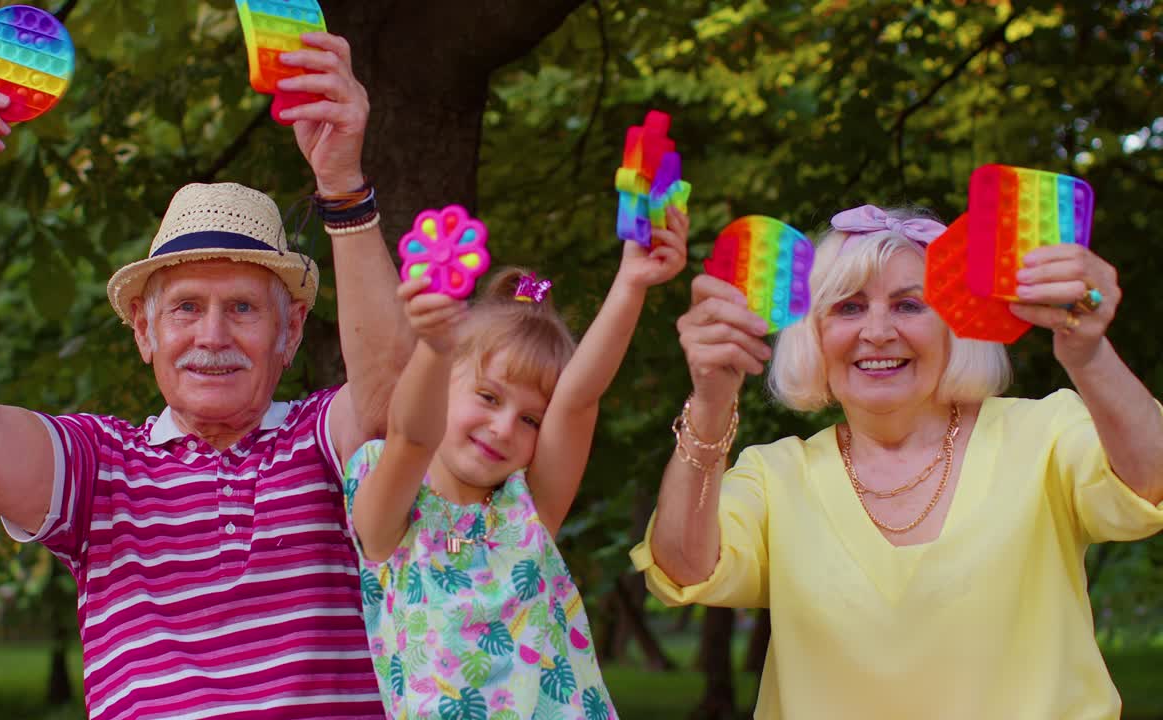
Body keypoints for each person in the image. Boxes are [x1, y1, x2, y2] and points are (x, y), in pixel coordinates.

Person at [0, 32, 410, 719]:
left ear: (290, 331)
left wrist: (343, 188)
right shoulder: (101, 467)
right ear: (144, 332)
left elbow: (396, 412)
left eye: (241, 308)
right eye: (185, 309)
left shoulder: (321, 441)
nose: (212, 336)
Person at [631, 204, 1163, 719]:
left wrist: (1088, 354)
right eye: (848, 307)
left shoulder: (1042, 433)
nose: (878, 331)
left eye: (910, 305)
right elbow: (681, 566)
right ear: (812, 334)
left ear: (955, 325)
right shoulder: (776, 475)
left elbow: (1152, 479)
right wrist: (710, 401)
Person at [341, 208, 689, 718]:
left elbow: (579, 399)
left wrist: (631, 282)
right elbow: (410, 437)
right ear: (442, 382)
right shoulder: (388, 501)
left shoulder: (528, 507)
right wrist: (436, 348)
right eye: (487, 396)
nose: (505, 427)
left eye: (530, 420)